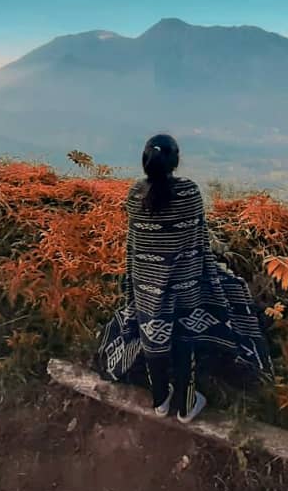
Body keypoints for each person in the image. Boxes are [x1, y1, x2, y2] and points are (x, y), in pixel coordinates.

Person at [95, 134, 272, 423]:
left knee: (155, 333)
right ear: (175, 161)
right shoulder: (189, 192)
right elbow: (199, 240)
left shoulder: (134, 194)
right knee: (185, 331)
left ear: (145, 160)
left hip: (146, 283)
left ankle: (160, 400)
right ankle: (186, 403)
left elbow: (135, 243)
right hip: (185, 281)